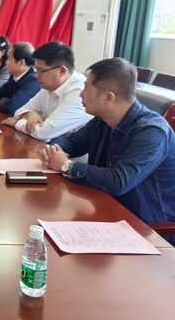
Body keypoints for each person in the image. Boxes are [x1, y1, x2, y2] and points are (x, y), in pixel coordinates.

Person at [40, 57, 175, 227]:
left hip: (146, 225)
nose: (81, 94)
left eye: (86, 88)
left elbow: (118, 182)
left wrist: (67, 165)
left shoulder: (151, 132)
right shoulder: (103, 119)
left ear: (108, 98)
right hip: (105, 204)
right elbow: (73, 142)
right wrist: (52, 150)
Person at [2, 41, 92, 142]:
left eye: (41, 70)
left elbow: (43, 133)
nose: (36, 76)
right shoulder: (49, 86)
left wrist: (16, 123)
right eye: (36, 70)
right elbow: (19, 111)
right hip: (47, 146)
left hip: (68, 151)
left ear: (62, 71)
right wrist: (30, 114)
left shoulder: (79, 92)